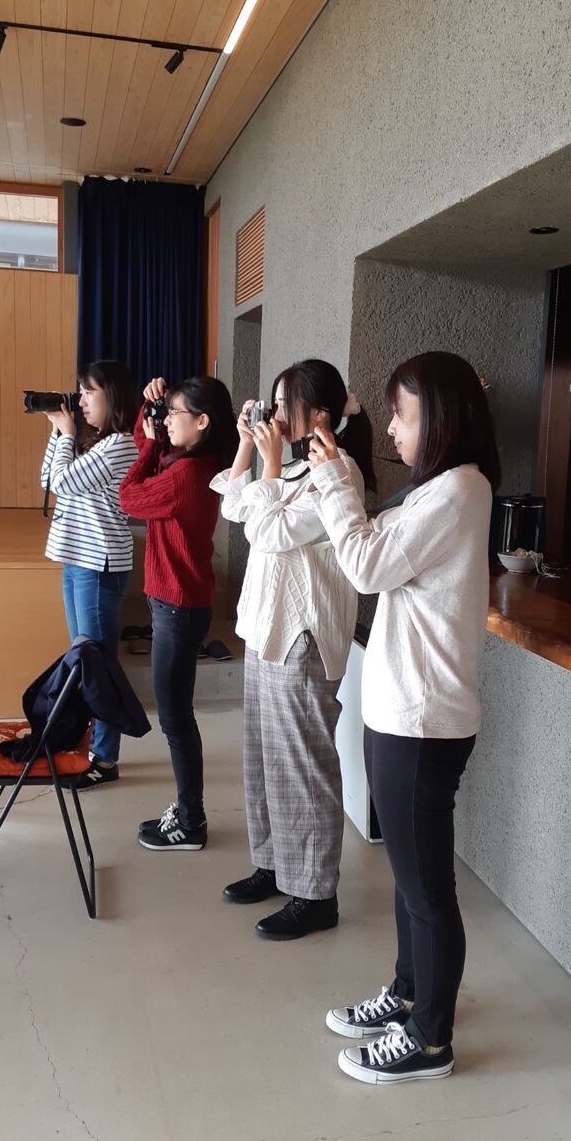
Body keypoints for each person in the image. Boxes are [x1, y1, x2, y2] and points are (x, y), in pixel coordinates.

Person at [307, 350, 500, 1083]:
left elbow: (364, 564)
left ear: (442, 419)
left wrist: (334, 481)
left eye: (402, 414)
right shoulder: (438, 490)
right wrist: (343, 471)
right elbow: (378, 545)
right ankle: (410, 992)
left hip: (421, 721)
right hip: (404, 713)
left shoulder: (458, 491)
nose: (392, 428)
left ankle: (429, 1040)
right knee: (409, 875)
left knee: (427, 890)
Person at [212, 359, 375, 940]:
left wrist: (272, 464)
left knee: (303, 764)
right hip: (266, 629)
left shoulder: (339, 471)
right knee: (263, 758)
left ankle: (315, 894)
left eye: (285, 405)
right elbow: (234, 507)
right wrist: (246, 447)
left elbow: (269, 532)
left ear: (320, 415)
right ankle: (275, 865)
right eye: (274, 403)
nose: (275, 414)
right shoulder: (295, 466)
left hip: (303, 635)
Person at [119, 374, 237, 851]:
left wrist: (150, 444)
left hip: (177, 608)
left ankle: (191, 821)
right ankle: (189, 814)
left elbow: (130, 496)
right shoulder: (194, 463)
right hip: (178, 604)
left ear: (203, 421)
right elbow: (149, 449)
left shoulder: (186, 476)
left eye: (174, 414)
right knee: (177, 717)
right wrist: (148, 416)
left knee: (175, 720)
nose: (166, 421)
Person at [41, 360, 140, 787]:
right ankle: (92, 742)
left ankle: (106, 757)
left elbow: (64, 483)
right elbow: (49, 478)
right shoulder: (95, 441)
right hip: (77, 559)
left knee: (99, 666)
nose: (80, 401)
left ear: (112, 396)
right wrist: (58, 433)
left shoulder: (119, 444)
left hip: (99, 565)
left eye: (88, 392)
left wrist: (66, 435)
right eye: (79, 392)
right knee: (85, 660)